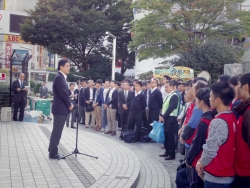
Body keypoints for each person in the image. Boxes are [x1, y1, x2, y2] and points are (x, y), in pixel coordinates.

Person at [196, 82, 236, 188]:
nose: (209, 99)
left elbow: (210, 149)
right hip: (226, 173)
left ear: (218, 100)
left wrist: (201, 164)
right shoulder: (232, 116)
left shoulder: (219, 121)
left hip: (217, 177)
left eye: (210, 97)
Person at [186, 88, 214, 188]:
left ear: (202, 102)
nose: (195, 101)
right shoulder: (213, 117)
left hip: (198, 161)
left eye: (197, 99)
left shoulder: (204, 122)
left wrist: (189, 159)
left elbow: (197, 144)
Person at [48, 59, 73, 159]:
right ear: (61, 67)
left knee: (56, 131)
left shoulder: (62, 77)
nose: (69, 68)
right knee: (57, 131)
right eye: (67, 66)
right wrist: (69, 104)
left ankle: (52, 150)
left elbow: (66, 91)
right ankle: (53, 153)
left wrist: (72, 95)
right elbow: (62, 93)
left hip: (60, 108)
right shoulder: (59, 77)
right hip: (60, 109)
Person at [233, 73, 250, 188]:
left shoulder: (248, 112)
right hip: (240, 168)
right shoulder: (244, 108)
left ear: (246, 86)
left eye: (238, 85)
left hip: (246, 172)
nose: (236, 88)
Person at [159, 81, 179, 160]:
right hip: (166, 118)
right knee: (166, 136)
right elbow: (164, 107)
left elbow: (171, 108)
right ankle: (167, 151)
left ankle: (171, 154)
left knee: (170, 137)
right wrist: (161, 115)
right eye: (165, 87)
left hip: (171, 119)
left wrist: (163, 116)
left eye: (167, 87)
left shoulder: (174, 96)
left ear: (172, 87)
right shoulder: (168, 95)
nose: (165, 89)